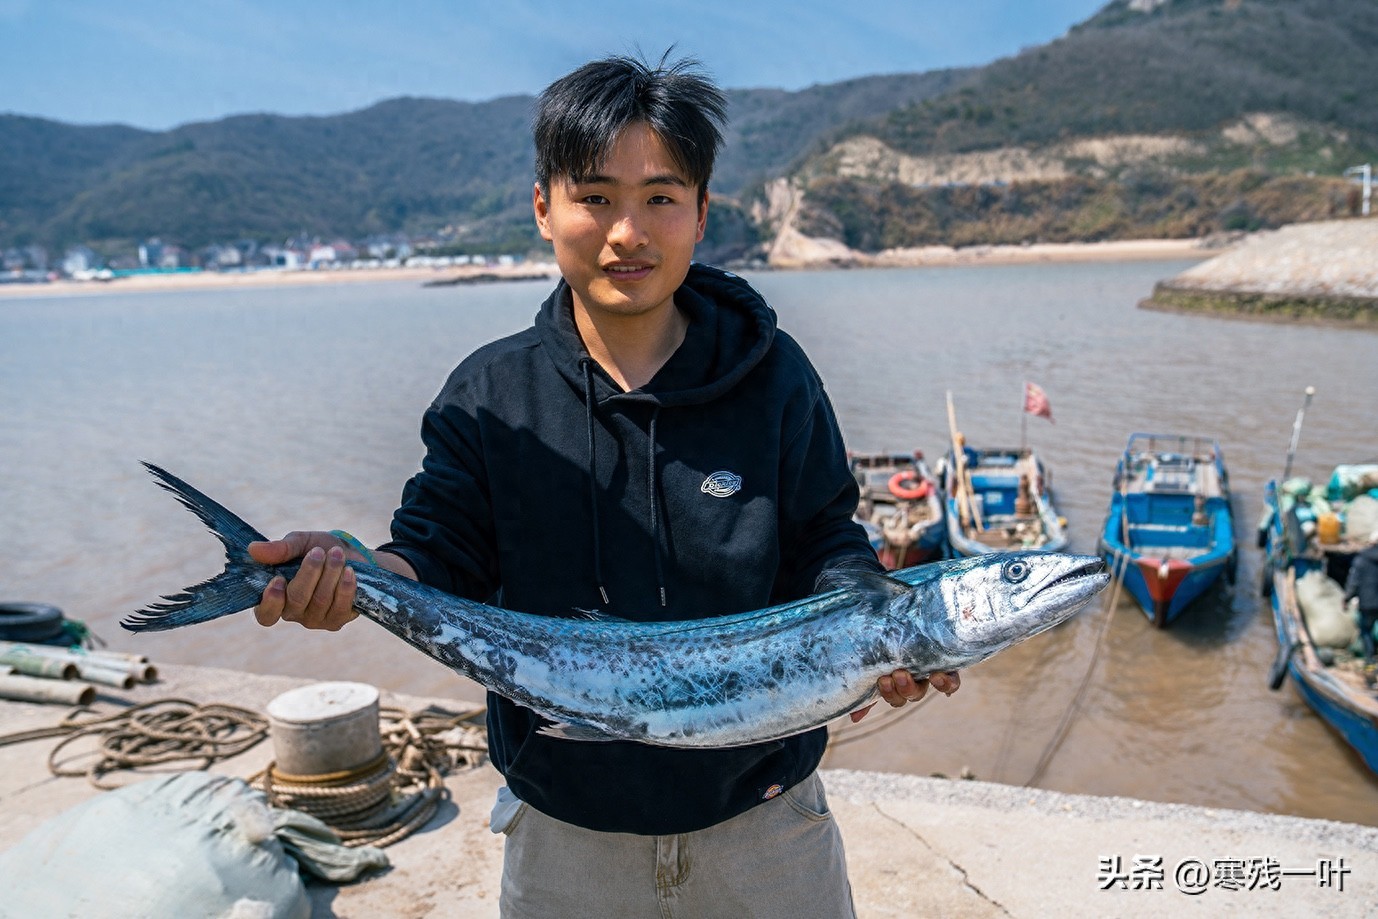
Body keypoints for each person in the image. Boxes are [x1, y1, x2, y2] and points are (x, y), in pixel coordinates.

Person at [249, 54, 959, 918]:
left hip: (766, 832)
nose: (629, 232)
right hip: (563, 840)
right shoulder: (489, 397)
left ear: (702, 213)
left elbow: (829, 541)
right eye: (596, 197)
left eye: (661, 197)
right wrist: (353, 574)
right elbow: (435, 555)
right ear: (544, 207)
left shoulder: (777, 379)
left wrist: (872, 635)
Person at [1345, 530, 1378, 660]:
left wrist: (1346, 598)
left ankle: (1369, 660)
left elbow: (1354, 583)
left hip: (1367, 603)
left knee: (1366, 631)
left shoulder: (1361, 560)